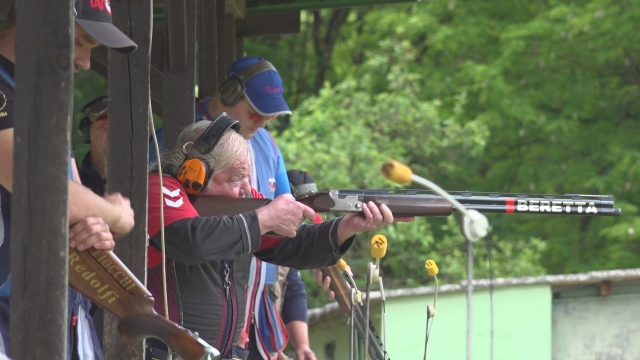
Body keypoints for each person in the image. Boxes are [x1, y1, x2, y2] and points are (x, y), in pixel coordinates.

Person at [145, 114, 410, 360]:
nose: (247, 189)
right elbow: (192, 242)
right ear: (196, 173)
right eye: (237, 178)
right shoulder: (160, 188)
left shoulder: (243, 208)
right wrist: (264, 219)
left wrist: (348, 226)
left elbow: (296, 245)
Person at [0, 0, 137, 358]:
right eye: (78, 41)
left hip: (45, 313)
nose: (85, 63)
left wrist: (97, 226)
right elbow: (42, 188)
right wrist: (117, 214)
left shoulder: (39, 97)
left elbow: (75, 205)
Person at [194, 57, 312, 360]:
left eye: (268, 115)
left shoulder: (268, 144)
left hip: (259, 302)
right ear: (230, 93)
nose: (261, 122)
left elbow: (289, 213)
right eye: (256, 111)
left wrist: (325, 251)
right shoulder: (189, 131)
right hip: (206, 303)